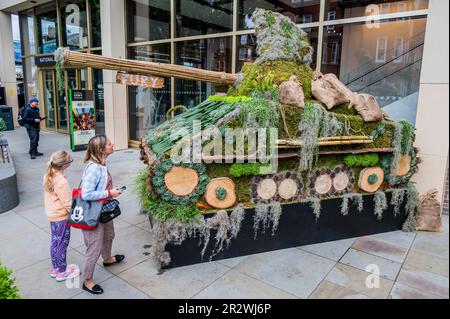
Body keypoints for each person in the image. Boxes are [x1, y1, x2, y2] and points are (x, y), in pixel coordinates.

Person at [81, 135, 124, 295]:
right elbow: (86, 194)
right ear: (100, 150)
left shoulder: (101, 164)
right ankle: (87, 280)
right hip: (93, 214)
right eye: (109, 144)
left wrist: (110, 192)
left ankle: (107, 259)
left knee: (109, 235)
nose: (112, 145)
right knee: (94, 247)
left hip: (103, 210)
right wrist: (109, 192)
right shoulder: (93, 168)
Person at [43, 150, 80, 282]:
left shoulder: (49, 174)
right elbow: (68, 203)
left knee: (55, 242)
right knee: (62, 244)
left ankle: (55, 269)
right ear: (64, 165)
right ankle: (63, 272)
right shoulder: (61, 181)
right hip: (61, 217)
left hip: (52, 215)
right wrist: (77, 214)